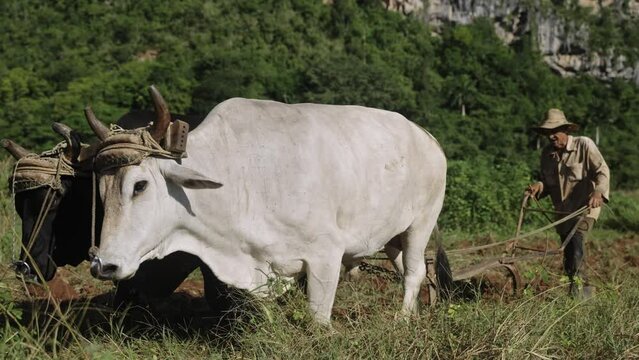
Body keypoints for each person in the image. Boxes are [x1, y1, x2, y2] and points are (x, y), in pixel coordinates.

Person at [525, 108, 610, 298]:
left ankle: (582, 298)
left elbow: (602, 171)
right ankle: (576, 291)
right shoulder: (547, 154)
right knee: (568, 255)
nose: (552, 136)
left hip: (584, 209)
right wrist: (539, 187)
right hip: (563, 214)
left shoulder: (584, 145)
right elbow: (548, 184)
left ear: (566, 129)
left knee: (576, 249)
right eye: (548, 133)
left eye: (555, 131)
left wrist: (598, 191)